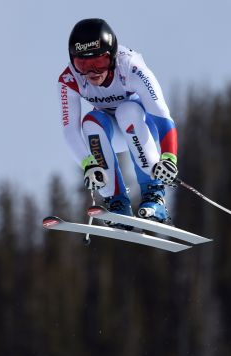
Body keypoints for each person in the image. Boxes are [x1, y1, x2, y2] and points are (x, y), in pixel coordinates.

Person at [58, 18, 179, 224]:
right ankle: (117, 202)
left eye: (99, 63)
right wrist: (88, 165)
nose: (92, 73)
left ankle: (154, 196)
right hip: (111, 134)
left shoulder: (131, 67)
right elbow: (70, 131)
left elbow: (162, 117)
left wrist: (169, 157)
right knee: (90, 122)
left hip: (143, 128)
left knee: (127, 110)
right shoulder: (70, 79)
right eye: (83, 64)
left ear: (112, 56)